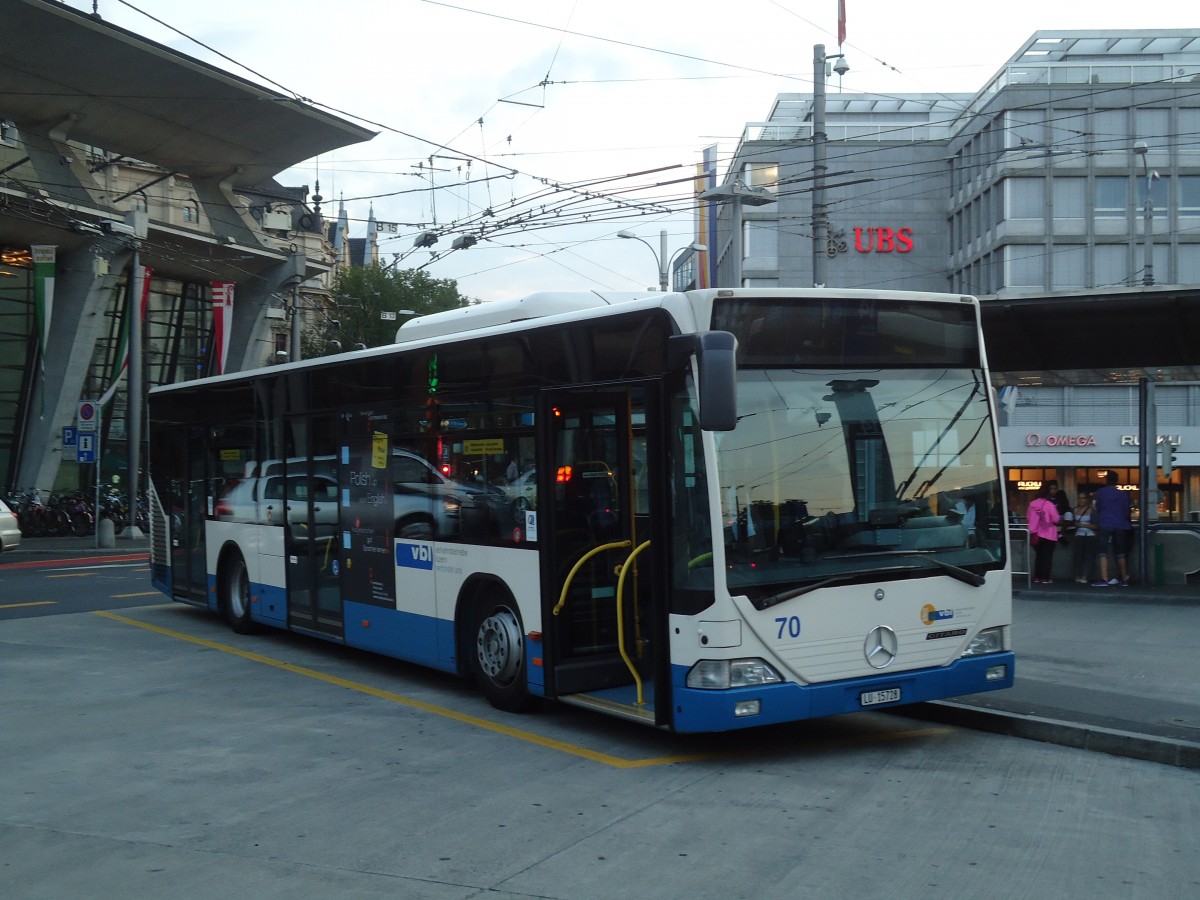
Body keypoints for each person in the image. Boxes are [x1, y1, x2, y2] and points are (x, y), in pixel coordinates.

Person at [1093, 470, 1132, 586]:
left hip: (1105, 522)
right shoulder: (1123, 494)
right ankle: (1124, 577)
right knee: (1120, 552)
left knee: (1103, 552)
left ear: (1106, 480)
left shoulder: (1100, 492)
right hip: (1120, 524)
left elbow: (1098, 507)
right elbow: (1126, 511)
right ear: (1117, 481)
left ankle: (1104, 579)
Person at [1026, 485, 1060, 584]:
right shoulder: (1049, 504)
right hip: (1049, 534)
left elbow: (1028, 518)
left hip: (1035, 534)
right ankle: (1045, 578)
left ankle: (1037, 577)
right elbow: (1056, 519)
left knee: (1039, 556)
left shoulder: (1032, 504)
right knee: (1047, 557)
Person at [1069, 490, 1098, 584]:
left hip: (1090, 535)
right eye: (1079, 498)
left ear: (1087, 500)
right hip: (1079, 535)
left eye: (1083, 498)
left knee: (1088, 556)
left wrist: (1081, 525)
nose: (1081, 500)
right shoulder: (1074, 510)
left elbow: (1097, 525)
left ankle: (1085, 575)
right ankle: (1077, 575)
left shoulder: (1092, 511)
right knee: (1077, 556)